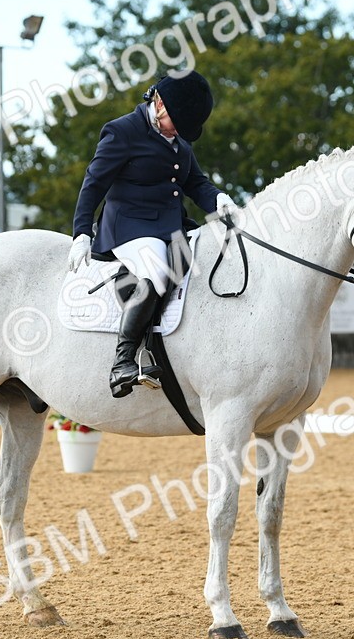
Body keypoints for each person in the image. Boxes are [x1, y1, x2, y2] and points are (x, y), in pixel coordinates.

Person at [68, 70, 235, 398]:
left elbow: (195, 183)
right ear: (160, 103)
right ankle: (123, 362)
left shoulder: (179, 140)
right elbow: (94, 183)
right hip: (129, 226)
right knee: (158, 269)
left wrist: (219, 200)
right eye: (178, 123)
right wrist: (81, 232)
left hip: (170, 226)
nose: (180, 133)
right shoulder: (122, 132)